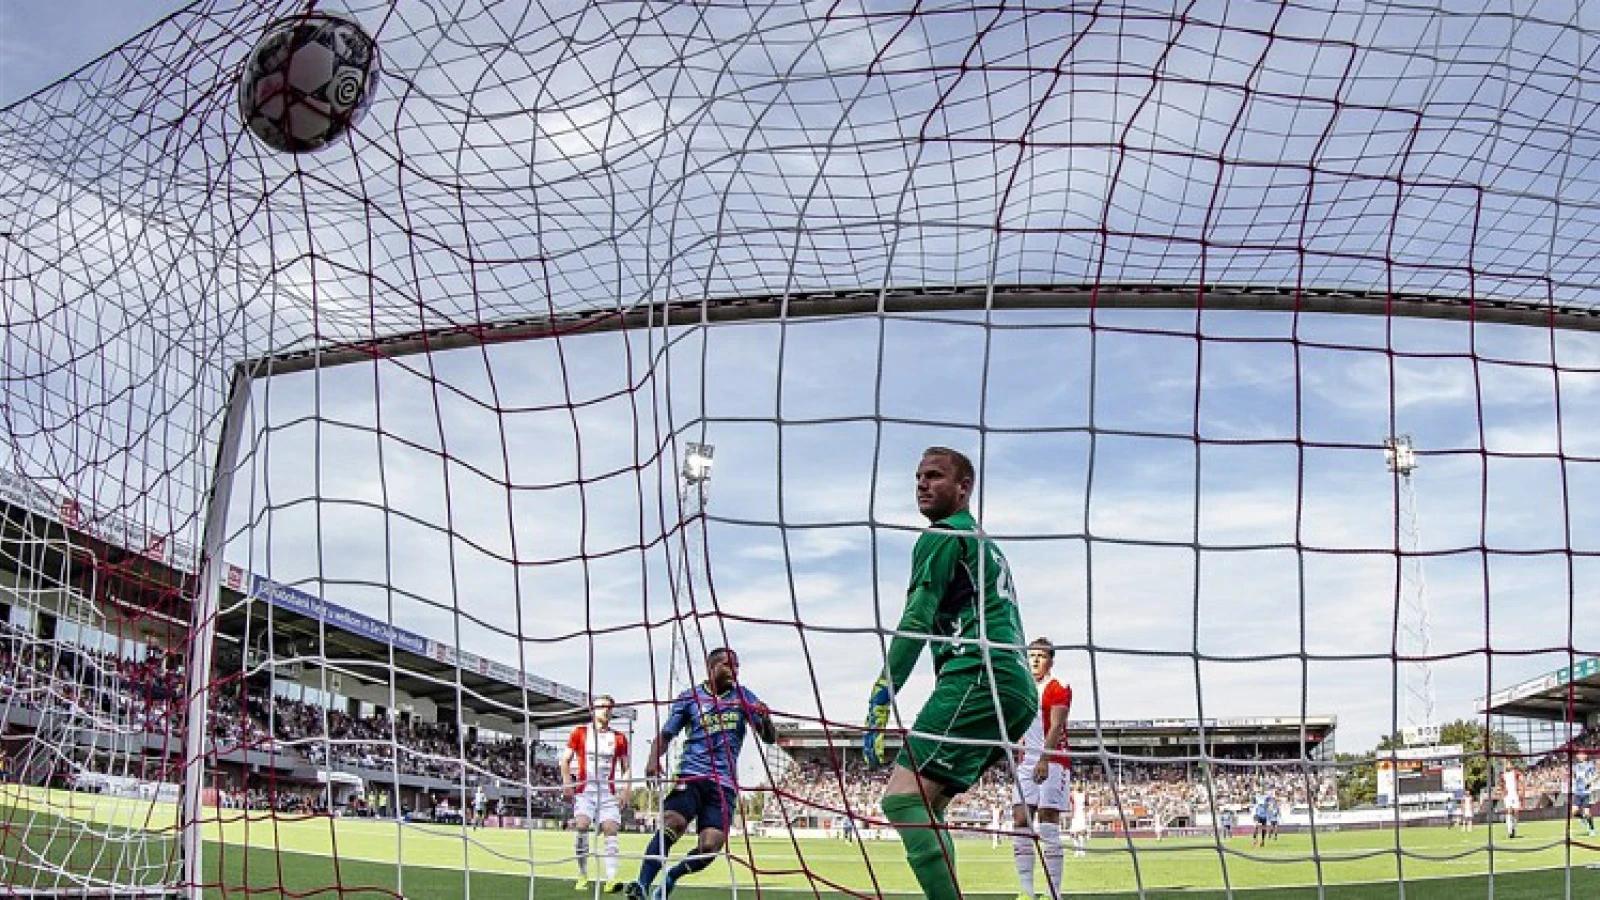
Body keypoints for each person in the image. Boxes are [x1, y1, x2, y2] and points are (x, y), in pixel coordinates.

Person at [863, 447, 1035, 900]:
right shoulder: (983, 543)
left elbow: (916, 619)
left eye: (935, 476)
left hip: (979, 676)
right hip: (1014, 689)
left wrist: (884, 691)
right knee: (931, 808)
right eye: (918, 476)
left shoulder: (941, 536)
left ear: (964, 488)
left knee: (902, 798)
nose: (922, 483)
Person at [625, 648, 775, 900]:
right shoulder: (690, 698)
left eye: (737, 666)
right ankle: (641, 885)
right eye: (729, 665)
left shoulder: (743, 696)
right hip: (692, 775)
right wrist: (653, 759)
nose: (735, 671)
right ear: (712, 668)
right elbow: (665, 735)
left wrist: (766, 719)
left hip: (724, 785)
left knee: (710, 847)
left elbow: (768, 738)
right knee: (674, 822)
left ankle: (672, 875)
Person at [1011, 638, 1072, 900]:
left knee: (1048, 820)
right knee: (1021, 821)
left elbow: (1057, 726)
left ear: (1050, 660)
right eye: (1032, 655)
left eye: (1041, 656)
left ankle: (1052, 892)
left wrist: (1045, 759)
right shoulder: (1023, 689)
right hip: (1026, 762)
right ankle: (1026, 891)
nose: (1035, 660)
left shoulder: (1058, 687)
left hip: (1053, 760)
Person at [563, 694, 632, 892]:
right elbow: (565, 761)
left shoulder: (619, 738)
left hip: (607, 793)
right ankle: (582, 875)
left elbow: (625, 767)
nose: (607, 710)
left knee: (611, 828)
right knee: (582, 825)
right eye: (602, 707)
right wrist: (568, 783)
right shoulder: (580, 732)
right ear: (593, 709)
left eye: (610, 707)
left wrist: (625, 790)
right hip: (586, 791)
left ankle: (611, 879)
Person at [1572, 750, 1596, 838]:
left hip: (1586, 792)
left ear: (1585, 756)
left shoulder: (1590, 765)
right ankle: (1582, 819)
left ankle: (1592, 829)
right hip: (1577, 792)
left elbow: (1596, 775)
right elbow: (1575, 777)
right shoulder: (1575, 766)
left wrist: (1589, 781)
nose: (1579, 756)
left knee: (1587, 813)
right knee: (1574, 812)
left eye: (1581, 754)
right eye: (1578, 754)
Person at [1500, 763, 1523, 838]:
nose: (1508, 766)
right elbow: (1501, 784)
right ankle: (1509, 830)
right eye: (1507, 764)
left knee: (1516, 812)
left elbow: (1521, 778)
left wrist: (1520, 789)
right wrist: (1502, 792)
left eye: (1509, 764)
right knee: (1509, 811)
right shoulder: (1503, 775)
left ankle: (1514, 828)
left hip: (1514, 794)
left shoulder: (1515, 773)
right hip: (1508, 795)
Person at [1067, 786, 1090, 857]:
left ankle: (1081, 850)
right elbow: (1070, 803)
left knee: (1081, 833)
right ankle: (1077, 850)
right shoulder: (1073, 794)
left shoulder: (1084, 794)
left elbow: (1087, 805)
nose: (1078, 787)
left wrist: (1086, 814)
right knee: (1074, 833)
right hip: (1075, 815)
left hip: (1081, 815)